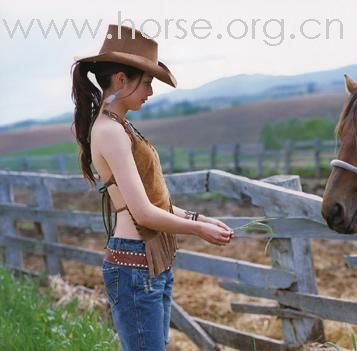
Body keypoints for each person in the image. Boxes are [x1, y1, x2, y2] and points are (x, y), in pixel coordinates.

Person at [71, 24, 234, 350]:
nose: (150, 91)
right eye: (146, 82)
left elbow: (151, 203)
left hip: (148, 263)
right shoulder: (110, 132)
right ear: (120, 80)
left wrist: (200, 219)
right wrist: (198, 231)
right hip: (134, 268)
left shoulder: (121, 127)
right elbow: (143, 214)